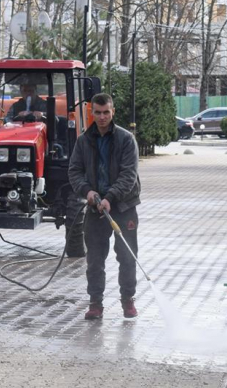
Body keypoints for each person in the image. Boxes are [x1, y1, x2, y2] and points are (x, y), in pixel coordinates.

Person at [68, 93, 141, 320]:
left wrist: (110, 197)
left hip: (123, 206)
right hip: (95, 209)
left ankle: (127, 301)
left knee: (127, 257)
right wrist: (87, 192)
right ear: (92, 112)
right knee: (95, 259)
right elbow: (74, 171)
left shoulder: (126, 139)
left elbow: (129, 175)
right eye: (98, 113)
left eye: (106, 112)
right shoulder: (83, 140)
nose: (102, 117)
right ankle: (95, 304)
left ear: (113, 111)